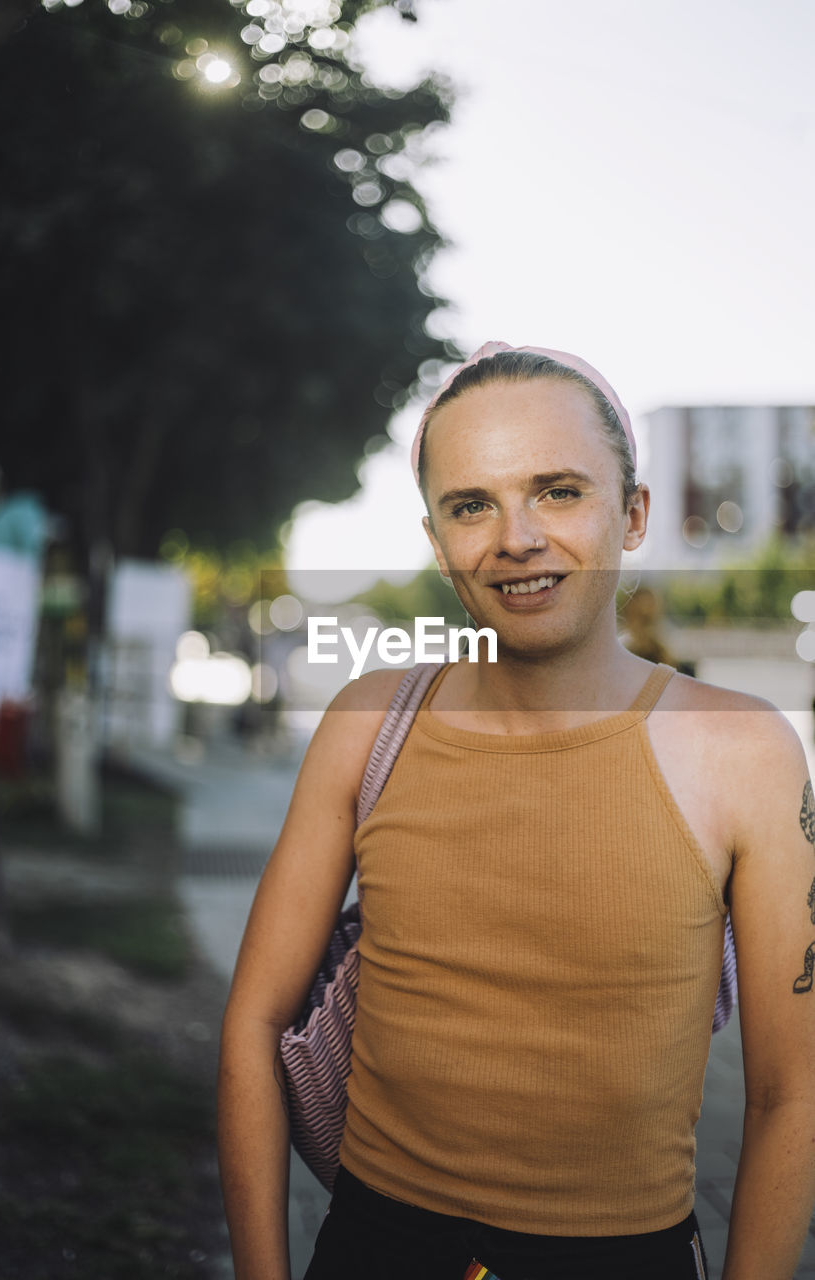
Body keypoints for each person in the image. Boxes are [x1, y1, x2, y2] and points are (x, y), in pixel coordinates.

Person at [217, 342, 815, 1280]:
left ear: (634, 514)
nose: (516, 539)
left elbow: (794, 1094)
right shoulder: (367, 726)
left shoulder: (744, 754)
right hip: (374, 1250)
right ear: (435, 537)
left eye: (558, 490)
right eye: (471, 505)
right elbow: (253, 1024)